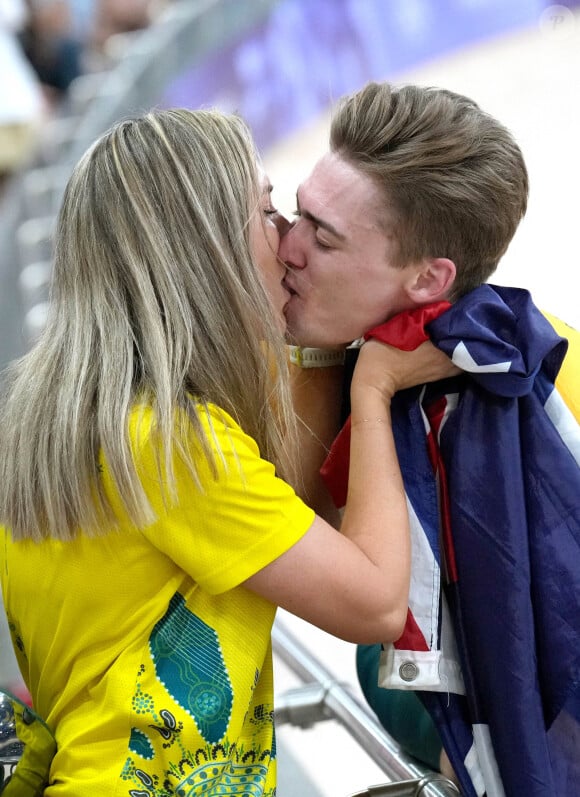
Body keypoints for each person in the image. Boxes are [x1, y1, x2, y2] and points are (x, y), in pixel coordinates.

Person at [0, 107, 456, 796]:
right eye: (268, 211)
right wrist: (376, 385)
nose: (286, 241)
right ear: (207, 247)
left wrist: (321, 335)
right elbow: (375, 604)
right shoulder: (172, 439)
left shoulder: (84, 409)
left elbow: (286, 508)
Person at [280, 81, 580, 796]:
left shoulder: (535, 384)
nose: (287, 248)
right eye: (295, 214)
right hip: (418, 692)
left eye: (323, 237)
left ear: (429, 279)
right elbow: (306, 509)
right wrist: (330, 357)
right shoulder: (354, 351)